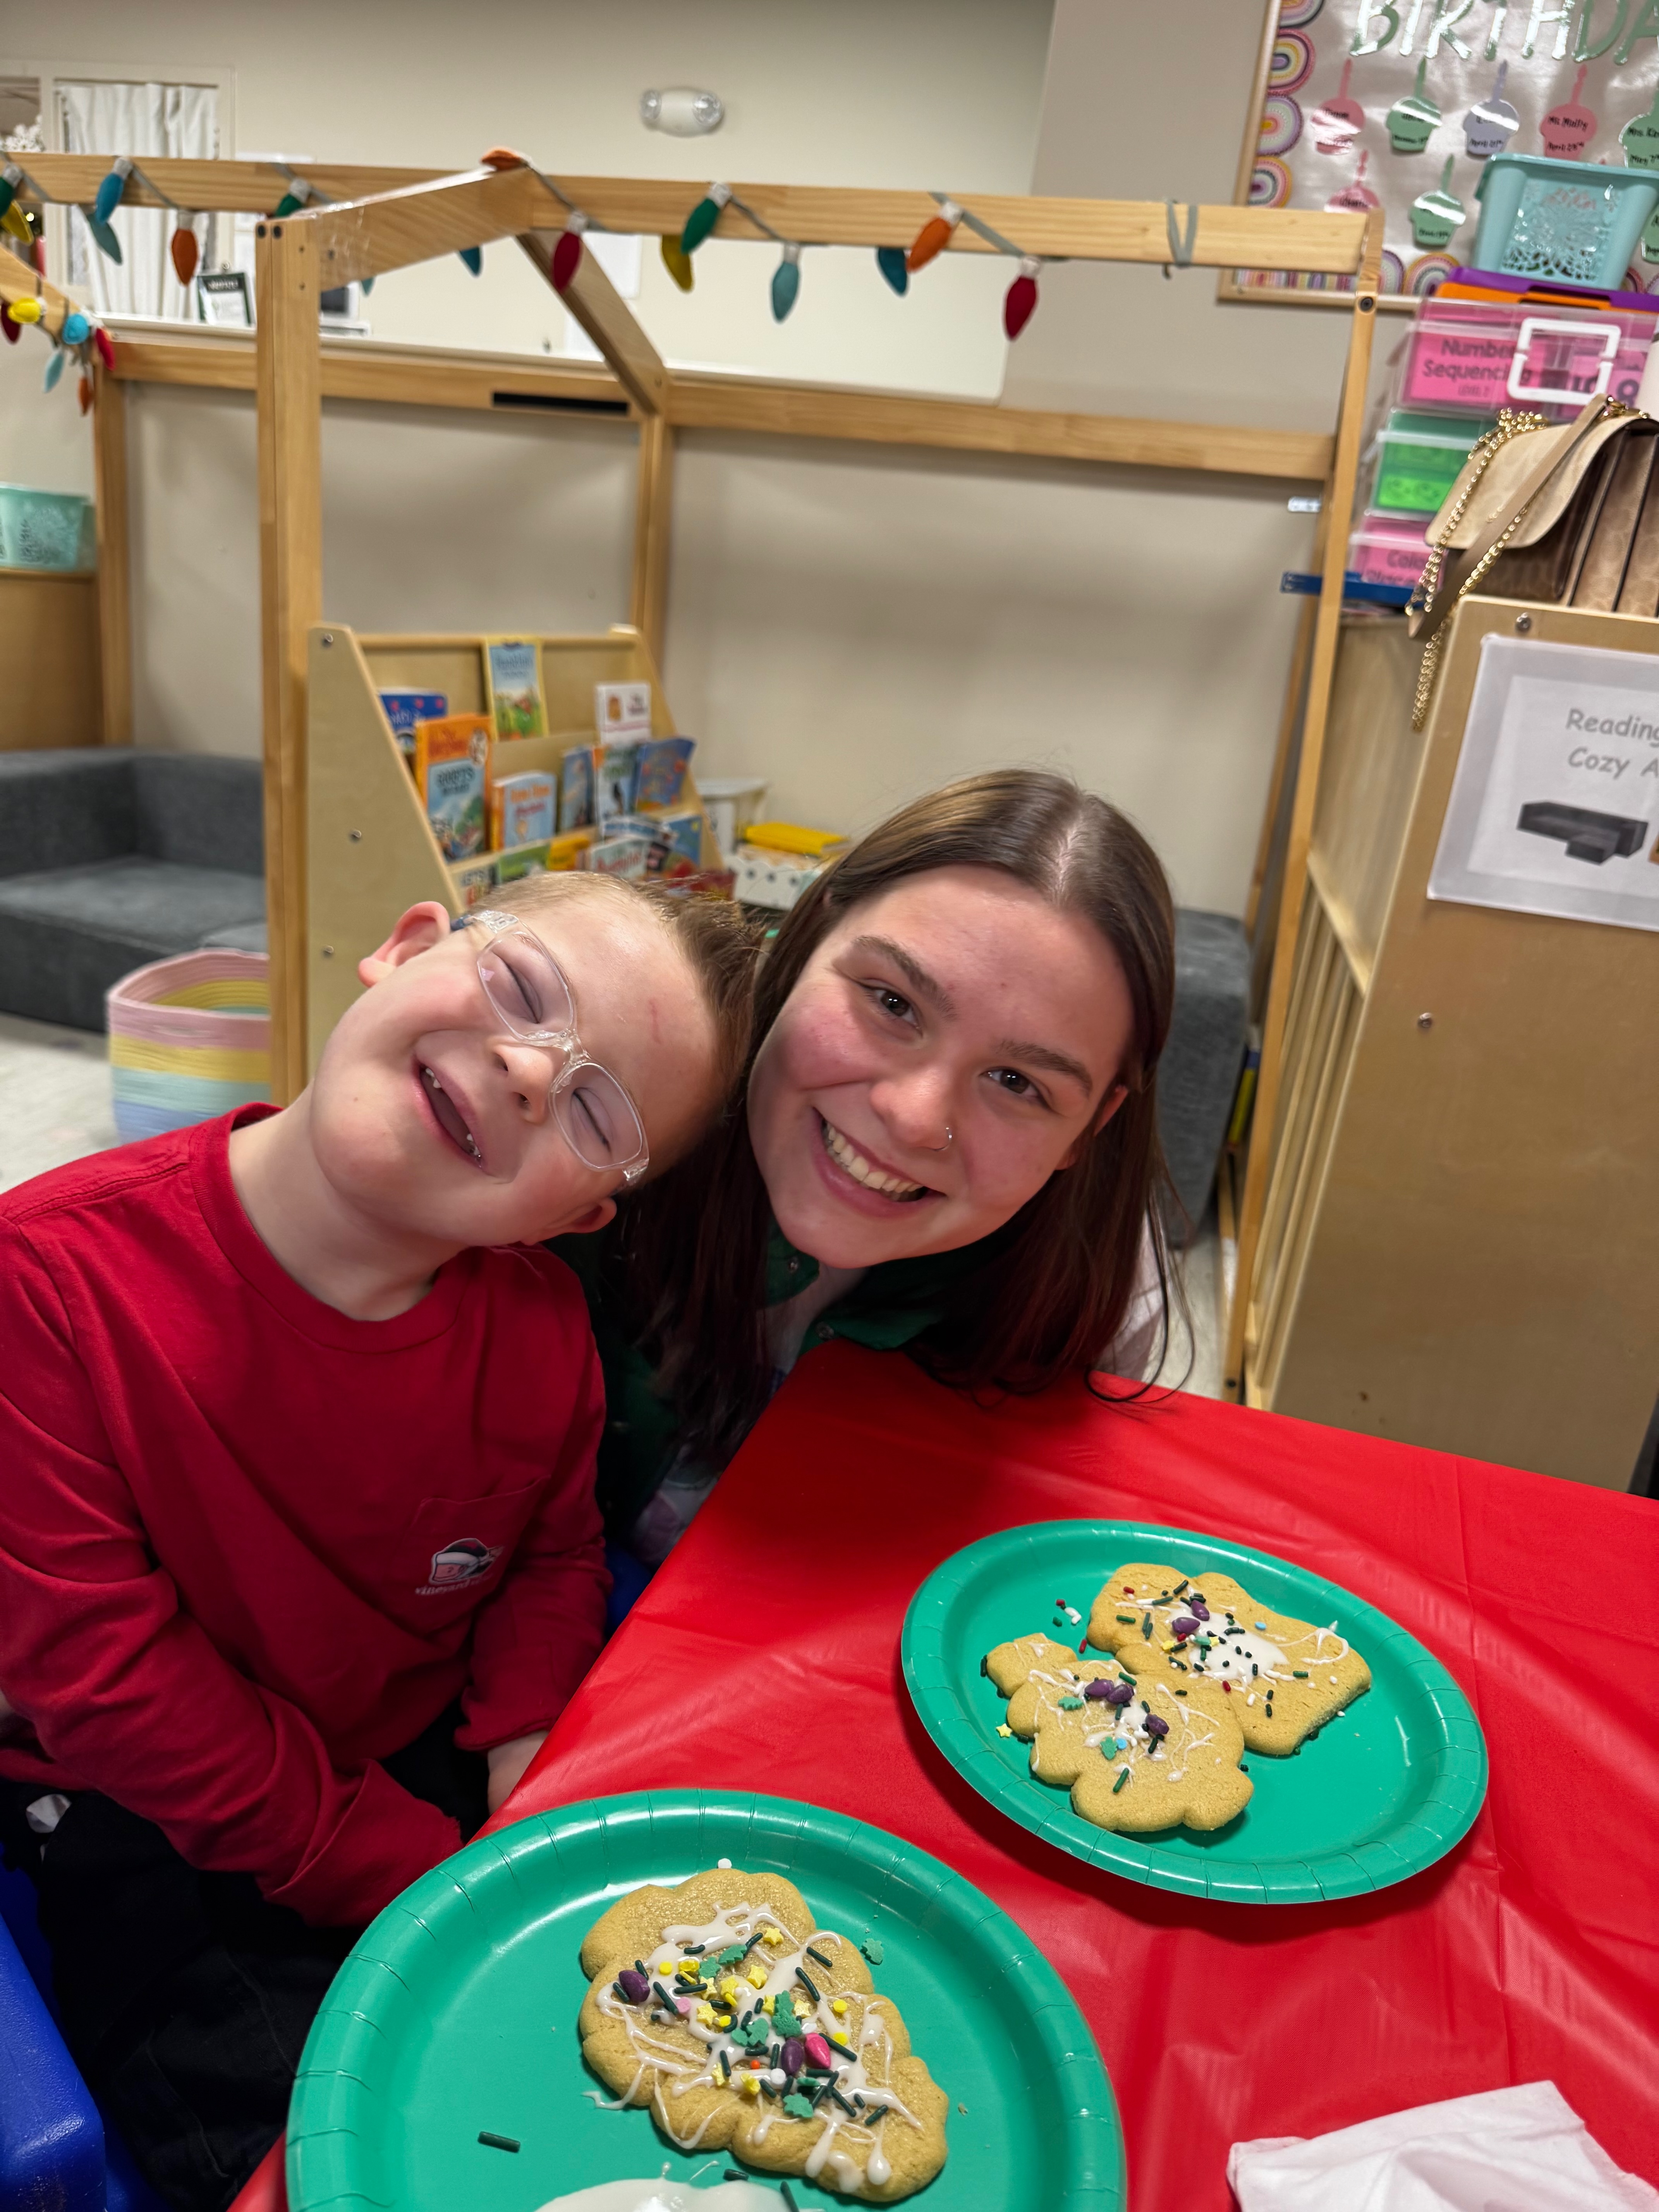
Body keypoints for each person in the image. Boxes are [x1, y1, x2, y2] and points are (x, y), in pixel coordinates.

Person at [0, 872, 752, 2212]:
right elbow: (112, 1690)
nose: (528, 1067)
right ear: (406, 942)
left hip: (412, 1763)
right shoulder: (45, 1284)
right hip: (145, 1818)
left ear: (576, 1218)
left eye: (595, 1106)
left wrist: (526, 1764)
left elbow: (548, 1551)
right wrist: (413, 1873)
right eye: (523, 989)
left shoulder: (535, 1333)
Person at [570, 769, 1179, 1566]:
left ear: (1089, 1130)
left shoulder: (1098, 1295)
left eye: (1017, 1083)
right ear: (809, 935)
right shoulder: (612, 1105)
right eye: (893, 1004)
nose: (916, 1117)